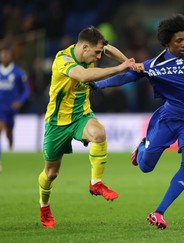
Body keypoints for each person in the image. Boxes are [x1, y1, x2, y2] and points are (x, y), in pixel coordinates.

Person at [91, 14, 184, 229]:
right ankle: (142, 147)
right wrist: (100, 85)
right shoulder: (153, 65)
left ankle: (159, 212)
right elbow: (127, 77)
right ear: (167, 42)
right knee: (145, 167)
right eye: (179, 41)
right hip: (168, 118)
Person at [38, 26, 140, 228]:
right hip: (57, 123)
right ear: (84, 47)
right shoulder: (63, 60)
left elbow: (107, 48)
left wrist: (127, 61)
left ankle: (96, 183)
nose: (99, 57)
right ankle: (44, 206)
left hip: (81, 116)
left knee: (99, 133)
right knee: (51, 174)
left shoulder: (89, 52)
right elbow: (83, 76)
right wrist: (119, 69)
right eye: (95, 53)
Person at [0, 47, 30, 173]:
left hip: (10, 109)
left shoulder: (18, 73)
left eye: (6, 55)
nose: (4, 57)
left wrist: (19, 102)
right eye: (2, 55)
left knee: (8, 131)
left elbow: (26, 90)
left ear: (10, 57)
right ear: (0, 57)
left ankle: (10, 139)